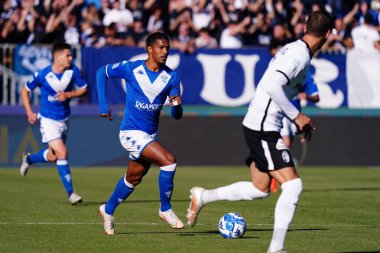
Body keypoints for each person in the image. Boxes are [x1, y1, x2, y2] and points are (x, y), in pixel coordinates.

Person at [187, 10, 333, 253]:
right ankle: (276, 249)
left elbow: (282, 90)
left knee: (260, 189)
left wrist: (298, 122)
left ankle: (202, 196)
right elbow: (271, 85)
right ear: (328, 34)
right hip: (264, 127)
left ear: (306, 26)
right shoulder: (298, 55)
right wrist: (296, 116)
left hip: (261, 123)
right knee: (293, 186)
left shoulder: (297, 50)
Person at [96, 32, 184, 235]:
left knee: (133, 178)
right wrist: (103, 102)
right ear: (149, 49)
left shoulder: (171, 77)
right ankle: (165, 208)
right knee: (169, 161)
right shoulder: (132, 68)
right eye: (160, 47)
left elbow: (177, 115)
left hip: (149, 135)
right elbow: (102, 72)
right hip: (130, 132)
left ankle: (107, 210)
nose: (165, 52)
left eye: (167, 48)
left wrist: (177, 106)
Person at [20, 43, 88, 205]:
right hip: (48, 119)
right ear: (58, 58)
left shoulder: (73, 71)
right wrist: (29, 112)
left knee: (53, 156)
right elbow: (25, 90)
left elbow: (84, 88)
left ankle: (29, 160)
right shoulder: (42, 74)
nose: (71, 58)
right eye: (68, 55)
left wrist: (70, 94)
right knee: (63, 152)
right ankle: (71, 193)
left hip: (64, 119)